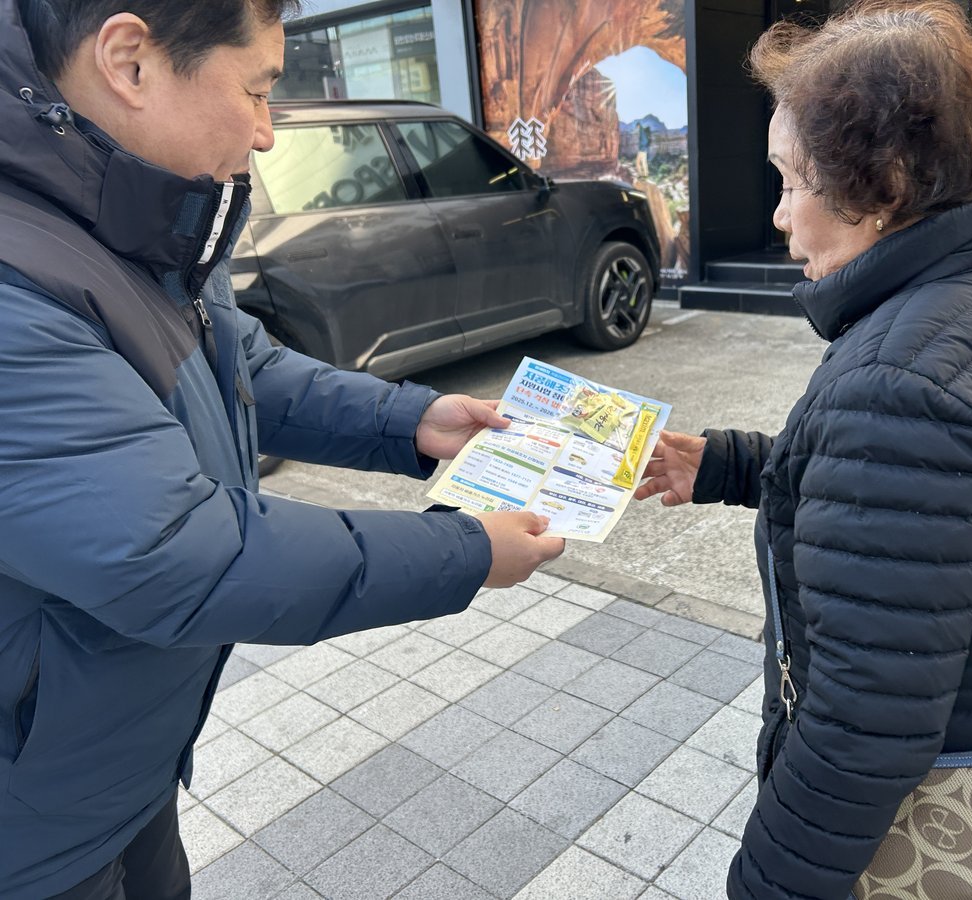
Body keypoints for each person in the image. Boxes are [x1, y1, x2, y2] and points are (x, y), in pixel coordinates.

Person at [0, 1, 564, 897]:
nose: (266, 133)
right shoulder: (18, 279)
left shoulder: (134, 203)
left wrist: (408, 421)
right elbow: (174, 554)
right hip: (32, 824)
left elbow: (238, 362)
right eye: (259, 90)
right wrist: (465, 550)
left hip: (114, 761)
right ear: (129, 61)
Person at [634, 1, 972, 896]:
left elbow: (862, 730)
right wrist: (728, 465)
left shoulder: (899, 382)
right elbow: (930, 508)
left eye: (792, 182)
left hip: (950, 846)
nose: (780, 217)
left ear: (885, 183)